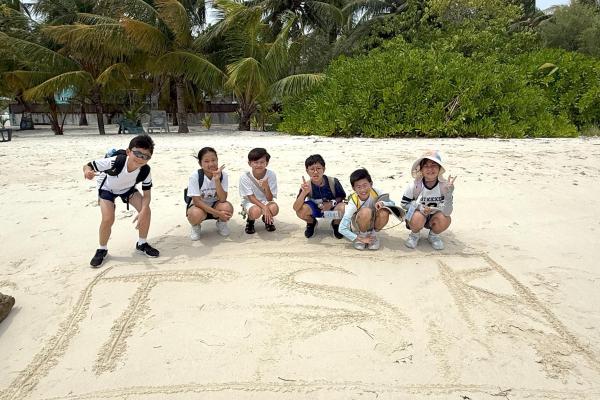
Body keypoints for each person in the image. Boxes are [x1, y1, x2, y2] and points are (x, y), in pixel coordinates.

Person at [83, 134, 159, 268]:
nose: (141, 158)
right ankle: (102, 249)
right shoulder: (115, 161)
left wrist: (143, 211)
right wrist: (87, 172)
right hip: (107, 188)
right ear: (128, 152)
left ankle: (142, 243)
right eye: (137, 153)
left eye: (146, 156)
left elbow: (147, 194)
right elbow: (88, 165)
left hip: (127, 189)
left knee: (146, 211)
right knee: (108, 218)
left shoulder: (145, 170)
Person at [401, 150, 456, 250]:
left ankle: (433, 235)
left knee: (445, 219)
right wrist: (420, 207)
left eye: (434, 165)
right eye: (426, 166)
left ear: (439, 168)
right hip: (417, 216)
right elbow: (404, 204)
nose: (430, 169)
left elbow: (447, 212)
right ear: (421, 170)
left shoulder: (445, 186)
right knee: (417, 217)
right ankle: (414, 235)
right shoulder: (414, 186)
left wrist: (449, 194)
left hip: (435, 217)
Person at [339, 168, 396, 250]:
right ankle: (362, 235)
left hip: (374, 222)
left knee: (384, 211)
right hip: (360, 223)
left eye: (365, 185)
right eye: (358, 187)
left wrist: (383, 203)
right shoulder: (353, 201)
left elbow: (393, 204)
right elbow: (342, 228)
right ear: (353, 188)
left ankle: (373, 235)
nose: (363, 190)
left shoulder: (377, 192)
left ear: (371, 184)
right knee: (366, 211)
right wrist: (360, 238)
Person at [292, 154, 346, 238]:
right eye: (312, 169)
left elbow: (342, 196)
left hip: (330, 212)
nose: (315, 172)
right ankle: (311, 222)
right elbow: (296, 208)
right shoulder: (306, 185)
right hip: (316, 212)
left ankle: (336, 223)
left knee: (343, 208)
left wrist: (331, 203)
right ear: (307, 171)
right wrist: (303, 193)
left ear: (323, 169)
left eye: (318, 168)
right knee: (301, 211)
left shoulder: (333, 181)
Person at [186, 147, 234, 240]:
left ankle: (221, 224)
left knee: (227, 207)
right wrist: (218, 213)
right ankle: (195, 226)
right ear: (200, 163)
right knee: (195, 214)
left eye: (213, 160)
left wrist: (217, 180)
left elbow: (223, 199)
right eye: (206, 161)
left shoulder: (223, 175)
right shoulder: (195, 176)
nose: (211, 164)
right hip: (199, 207)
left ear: (217, 160)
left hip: (215, 204)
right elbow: (197, 202)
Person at [239, 148, 279, 234]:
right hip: (250, 201)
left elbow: (270, 198)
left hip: (265, 200)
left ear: (266, 163)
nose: (259, 165)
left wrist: (266, 187)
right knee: (255, 211)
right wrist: (264, 207)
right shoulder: (245, 177)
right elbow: (250, 197)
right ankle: (250, 221)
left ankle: (267, 219)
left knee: (274, 208)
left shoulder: (271, 174)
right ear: (250, 163)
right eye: (256, 162)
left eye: (262, 162)